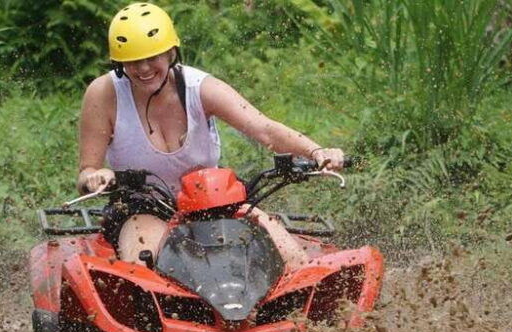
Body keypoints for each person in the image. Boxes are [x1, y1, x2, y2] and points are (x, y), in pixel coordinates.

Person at [77, 2, 345, 266]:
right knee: (147, 265)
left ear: (171, 53)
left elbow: (264, 129)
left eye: (152, 57)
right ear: (119, 63)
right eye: (133, 61)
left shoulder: (198, 87)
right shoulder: (104, 94)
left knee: (292, 259)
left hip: (211, 199)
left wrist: (316, 151)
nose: (144, 69)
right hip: (140, 205)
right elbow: (87, 171)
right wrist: (95, 176)